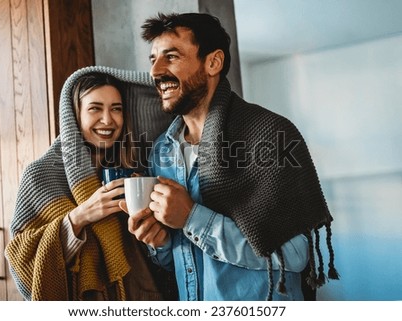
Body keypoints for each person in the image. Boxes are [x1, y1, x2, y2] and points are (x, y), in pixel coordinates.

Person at [120, 12, 339, 301]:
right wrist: (159, 243)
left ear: (213, 62)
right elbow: (182, 261)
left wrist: (192, 218)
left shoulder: (271, 134)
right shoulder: (163, 150)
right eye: (153, 59)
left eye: (171, 57)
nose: (156, 71)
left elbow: (296, 256)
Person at [5, 68, 176, 300]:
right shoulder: (40, 176)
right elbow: (21, 259)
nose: (108, 120)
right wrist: (81, 216)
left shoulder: (137, 171)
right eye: (95, 108)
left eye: (116, 109)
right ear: (75, 115)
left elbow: (162, 257)